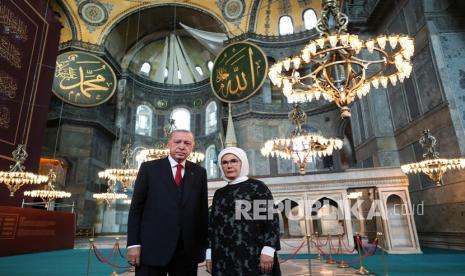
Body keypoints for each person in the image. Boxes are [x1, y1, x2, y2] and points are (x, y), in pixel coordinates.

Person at [127, 129, 208, 276]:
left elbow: (202, 213)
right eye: (177, 142)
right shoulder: (149, 169)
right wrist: (133, 244)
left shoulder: (199, 173)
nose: (182, 146)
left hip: (186, 252)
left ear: (192, 147)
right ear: (168, 144)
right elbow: (136, 209)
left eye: (187, 143)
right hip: (151, 249)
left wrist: (205, 248)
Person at [206, 147, 281, 276]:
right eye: (225, 162)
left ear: (242, 163)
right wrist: (209, 254)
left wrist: (268, 249)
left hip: (252, 255)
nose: (229, 165)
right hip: (223, 257)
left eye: (234, 161)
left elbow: (270, 220)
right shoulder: (219, 193)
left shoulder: (256, 187)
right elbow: (213, 226)